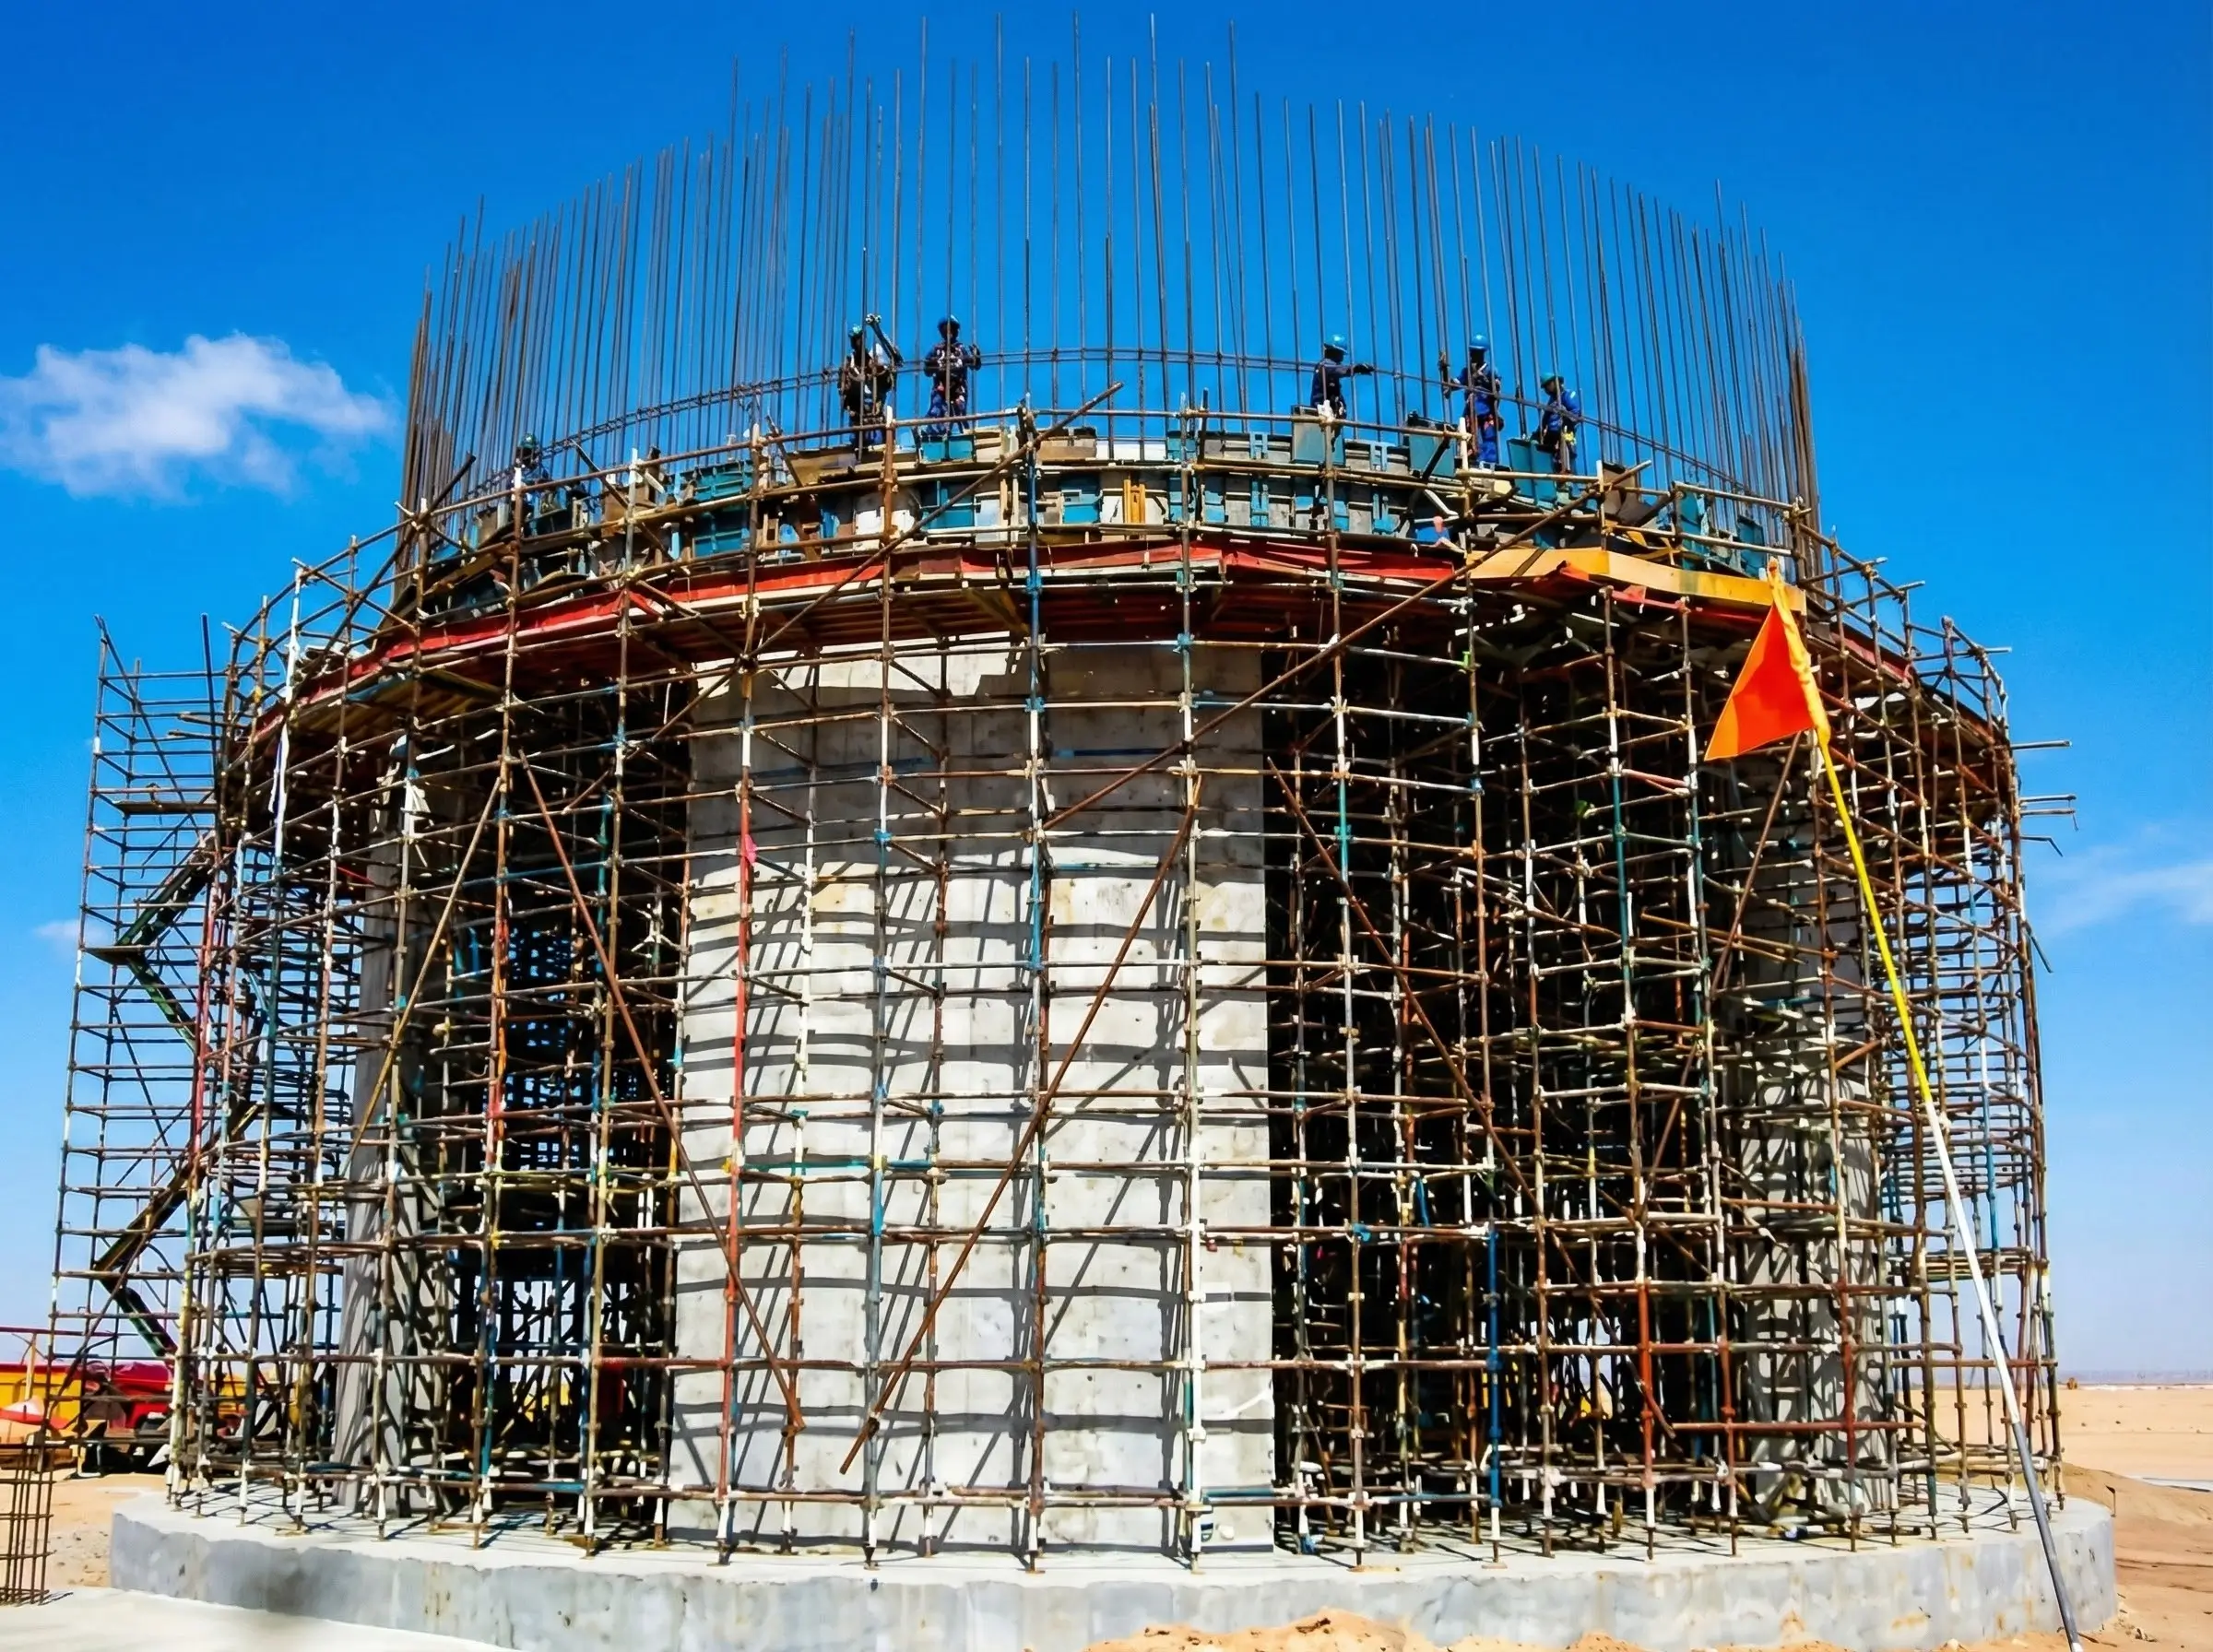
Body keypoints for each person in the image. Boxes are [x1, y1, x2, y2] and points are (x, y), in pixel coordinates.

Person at [1438, 336, 1503, 465]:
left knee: (1489, 437)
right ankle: (1470, 459)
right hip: (1471, 410)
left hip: (1486, 410)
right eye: (1471, 352)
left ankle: (1489, 462)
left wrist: (1483, 380)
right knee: (1467, 436)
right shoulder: (1467, 371)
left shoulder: (1491, 370)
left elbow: (1497, 389)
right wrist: (1445, 372)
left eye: (1475, 352)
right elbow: (1454, 384)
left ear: (1482, 353)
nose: (1472, 355)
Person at [837, 314, 903, 442]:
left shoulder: (874, 361)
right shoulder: (849, 364)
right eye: (854, 340)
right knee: (858, 444)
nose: (857, 343)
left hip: (875, 417)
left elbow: (895, 359)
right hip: (858, 416)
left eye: (859, 339)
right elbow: (842, 389)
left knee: (877, 443)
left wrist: (876, 328)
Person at [921, 315, 983, 438]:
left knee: (959, 410)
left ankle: (965, 433)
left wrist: (977, 357)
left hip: (958, 388)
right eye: (945, 330)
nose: (948, 333)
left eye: (951, 329)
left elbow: (974, 365)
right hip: (941, 388)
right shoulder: (937, 350)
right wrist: (930, 365)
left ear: (956, 331)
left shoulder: (961, 349)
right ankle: (933, 431)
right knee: (937, 407)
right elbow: (927, 370)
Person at [1308, 334, 1375, 420]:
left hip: (1326, 411)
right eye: (1341, 354)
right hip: (1322, 411)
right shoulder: (1326, 365)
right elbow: (1338, 370)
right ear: (1335, 352)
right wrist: (1356, 369)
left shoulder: (1325, 366)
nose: (1342, 357)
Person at [1535, 373, 1581, 475]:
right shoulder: (1552, 401)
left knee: (1565, 453)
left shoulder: (1566, 395)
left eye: (1549, 384)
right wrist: (1539, 431)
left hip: (1564, 432)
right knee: (1547, 455)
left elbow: (1576, 412)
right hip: (1552, 435)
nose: (1547, 389)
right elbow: (1545, 419)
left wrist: (1565, 416)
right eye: (1545, 386)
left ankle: (1566, 471)